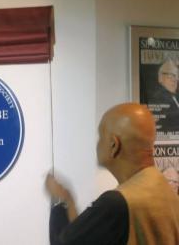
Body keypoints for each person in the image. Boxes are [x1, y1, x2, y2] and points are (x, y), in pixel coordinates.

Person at [46, 103, 179, 245]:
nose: (97, 143)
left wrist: (58, 202)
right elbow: (87, 235)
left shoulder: (118, 203)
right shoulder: (164, 190)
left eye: (100, 136)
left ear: (114, 145)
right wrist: (69, 201)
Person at [147, 59, 179, 134]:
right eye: (171, 75)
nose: (176, 79)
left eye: (177, 76)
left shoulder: (175, 96)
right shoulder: (157, 98)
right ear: (160, 77)